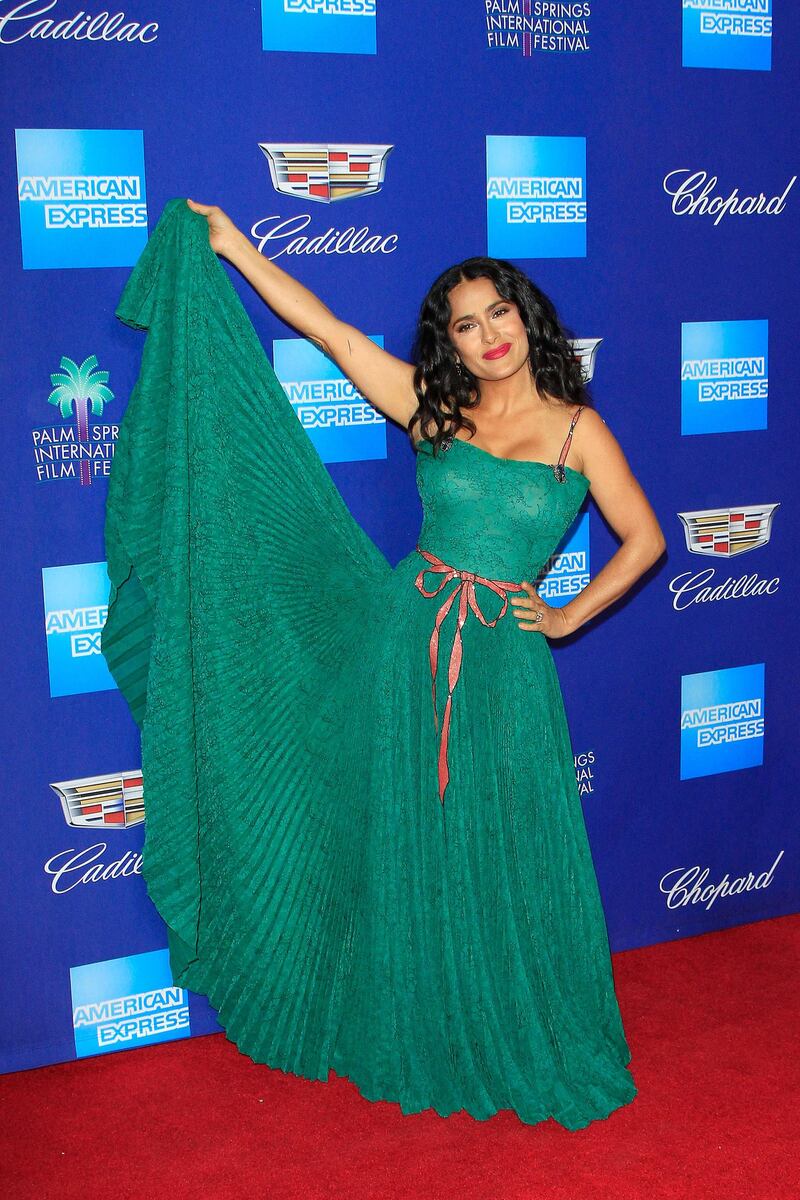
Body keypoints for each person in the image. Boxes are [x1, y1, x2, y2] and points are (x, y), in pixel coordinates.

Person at [102, 196, 665, 1132]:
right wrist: (237, 247)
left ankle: (504, 1018)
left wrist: (568, 616)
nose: (488, 336)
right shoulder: (433, 411)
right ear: (451, 342)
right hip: (403, 646)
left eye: (500, 314)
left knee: (502, 843)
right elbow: (326, 330)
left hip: (505, 669)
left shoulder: (578, 432)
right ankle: (408, 1010)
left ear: (529, 318)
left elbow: (645, 537)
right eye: (466, 324)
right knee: (404, 834)